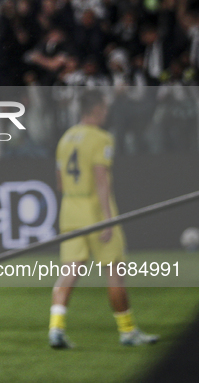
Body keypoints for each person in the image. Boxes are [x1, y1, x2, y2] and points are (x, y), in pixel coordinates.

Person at [49, 90, 158, 349]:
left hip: (69, 210)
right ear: (96, 109)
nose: (106, 113)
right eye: (104, 109)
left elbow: (60, 182)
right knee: (115, 272)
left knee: (69, 272)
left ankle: (56, 329)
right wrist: (107, 221)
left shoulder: (65, 139)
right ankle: (128, 331)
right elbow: (100, 180)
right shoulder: (101, 138)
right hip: (96, 212)